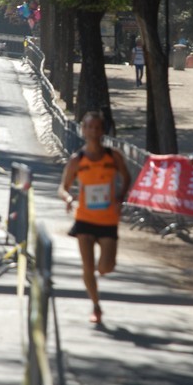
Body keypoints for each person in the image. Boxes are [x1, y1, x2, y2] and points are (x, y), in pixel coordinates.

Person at [58, 111, 131, 324]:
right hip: (85, 219)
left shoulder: (113, 155)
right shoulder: (77, 159)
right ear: (83, 130)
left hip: (108, 219)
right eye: (89, 127)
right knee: (87, 266)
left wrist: (119, 197)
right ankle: (96, 306)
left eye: (97, 127)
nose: (93, 131)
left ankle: (101, 272)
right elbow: (63, 186)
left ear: (103, 131)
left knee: (106, 267)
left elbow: (126, 177)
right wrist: (68, 198)